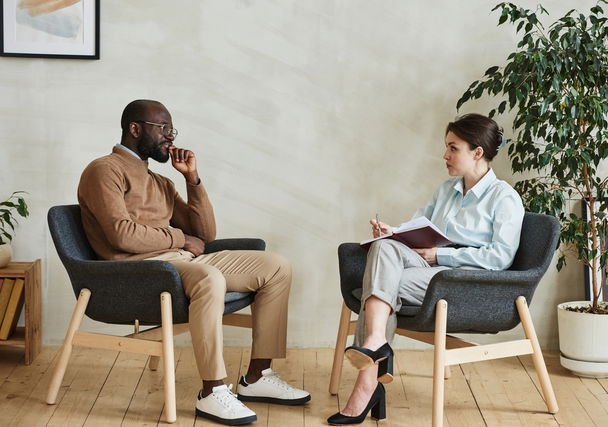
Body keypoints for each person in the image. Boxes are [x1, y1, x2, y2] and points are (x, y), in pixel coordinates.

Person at [78, 99, 310, 426]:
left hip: (182, 262)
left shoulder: (161, 182)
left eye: (172, 130)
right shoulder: (104, 170)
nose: (170, 138)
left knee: (275, 266)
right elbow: (121, 235)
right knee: (210, 278)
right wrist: (179, 239)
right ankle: (212, 391)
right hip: (139, 271)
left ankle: (257, 376)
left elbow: (205, 234)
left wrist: (192, 180)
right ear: (134, 128)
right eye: (163, 129)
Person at [327, 113, 524, 425]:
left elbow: (500, 257)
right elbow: (419, 225)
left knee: (378, 283)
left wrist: (440, 258)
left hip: (465, 280)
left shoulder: (505, 198)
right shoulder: (446, 189)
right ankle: (376, 342)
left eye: (452, 148)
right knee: (383, 248)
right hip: (429, 267)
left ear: (477, 152)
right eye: (446, 147)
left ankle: (366, 384)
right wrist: (393, 232)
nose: (444, 155)